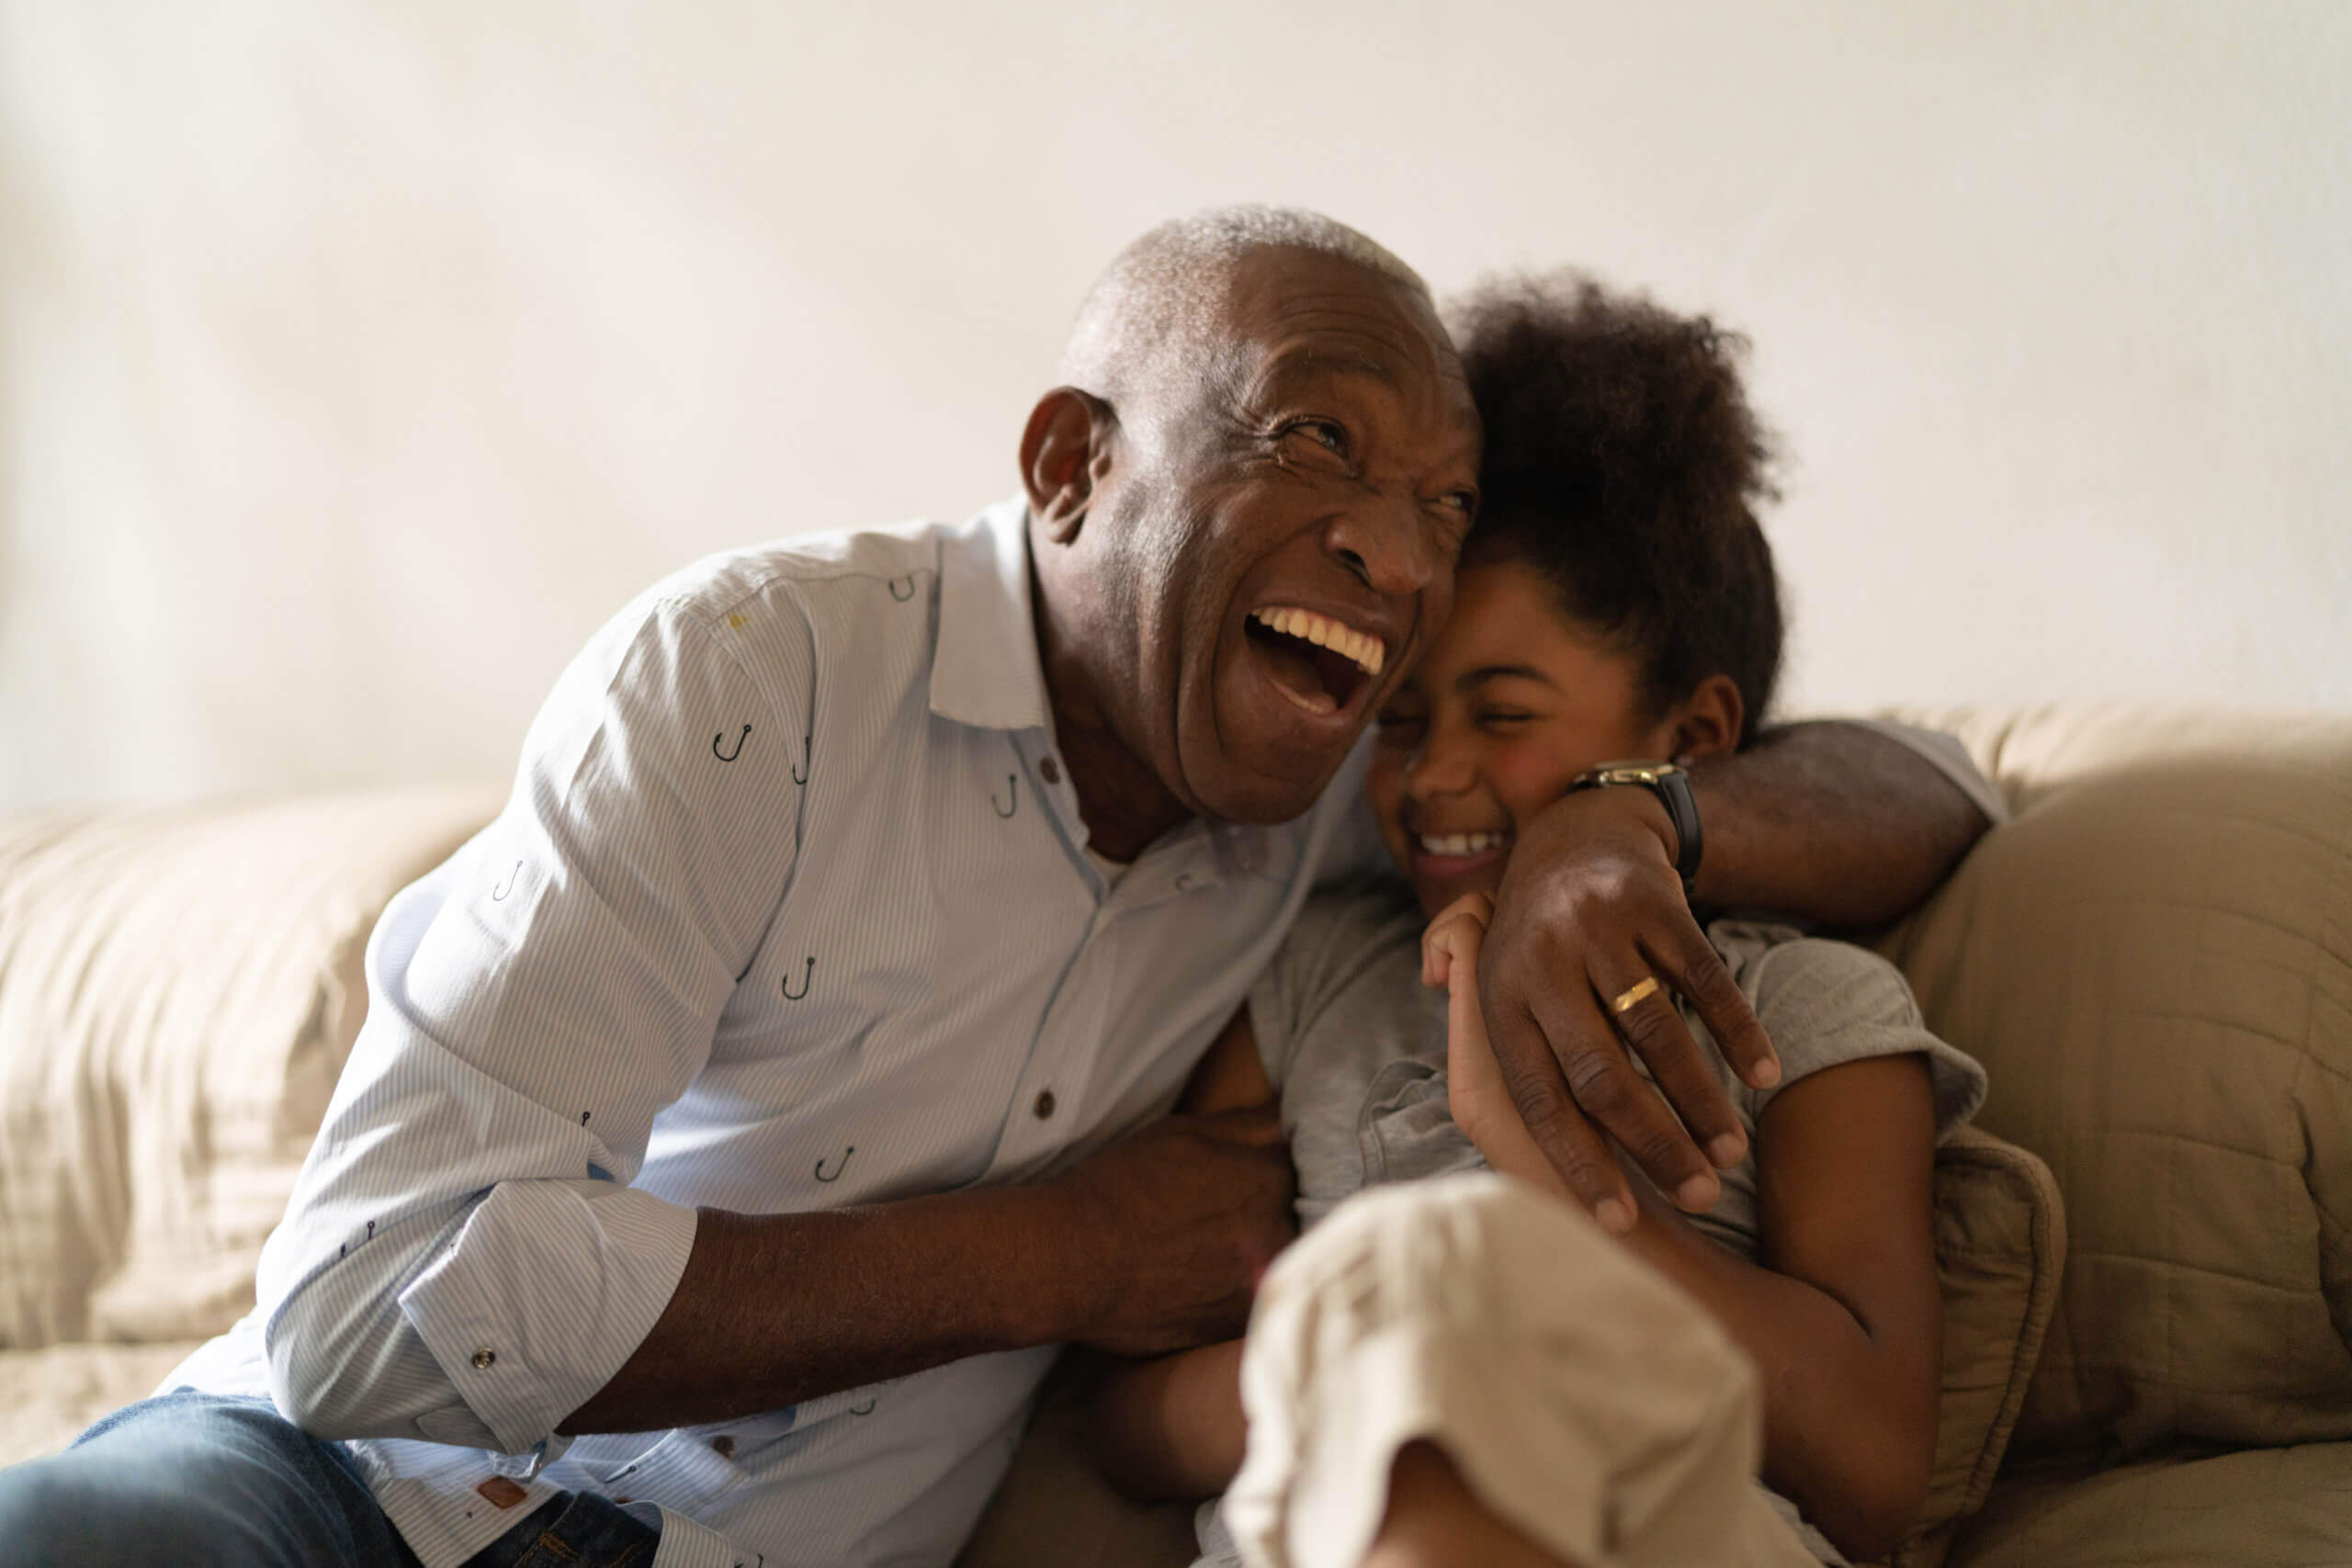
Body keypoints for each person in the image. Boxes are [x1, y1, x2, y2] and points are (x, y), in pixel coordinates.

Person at [0, 212, 1996, 1568]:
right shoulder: (752, 678)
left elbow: (1939, 778)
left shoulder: (1356, 785)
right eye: (1317, 441)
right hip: (331, 1486)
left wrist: (1616, 822)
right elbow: (367, 1297)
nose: (1388, 556)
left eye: (1438, 507)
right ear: (1069, 463)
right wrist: (1050, 1255)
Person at [1090, 275, 1993, 1568]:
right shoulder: (1311, 976)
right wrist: (1375, 1354)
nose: (1434, 774)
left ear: (1693, 740)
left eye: (1505, 715)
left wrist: (1547, 1177)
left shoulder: (1801, 1006)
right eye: (1399, 720)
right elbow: (1126, 1419)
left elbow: (1873, 1469)